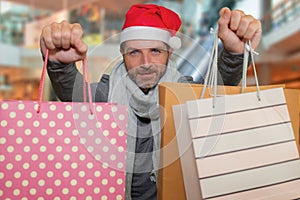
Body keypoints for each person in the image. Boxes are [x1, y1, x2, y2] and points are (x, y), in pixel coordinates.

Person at [40, 4, 262, 200]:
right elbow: (75, 96)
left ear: (169, 52)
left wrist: (234, 53)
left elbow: (214, 96)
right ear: (122, 53)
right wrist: (59, 65)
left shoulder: (183, 94)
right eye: (135, 52)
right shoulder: (106, 94)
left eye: (155, 51)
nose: (145, 63)